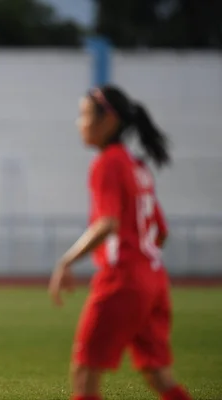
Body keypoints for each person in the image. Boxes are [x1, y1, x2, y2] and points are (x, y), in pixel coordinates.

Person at [48, 85, 193, 400]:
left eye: (84, 114)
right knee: (159, 374)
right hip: (153, 279)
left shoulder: (107, 163)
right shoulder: (136, 165)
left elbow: (108, 223)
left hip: (123, 280)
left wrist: (66, 261)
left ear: (108, 121)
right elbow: (161, 232)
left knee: (85, 371)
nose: (79, 123)